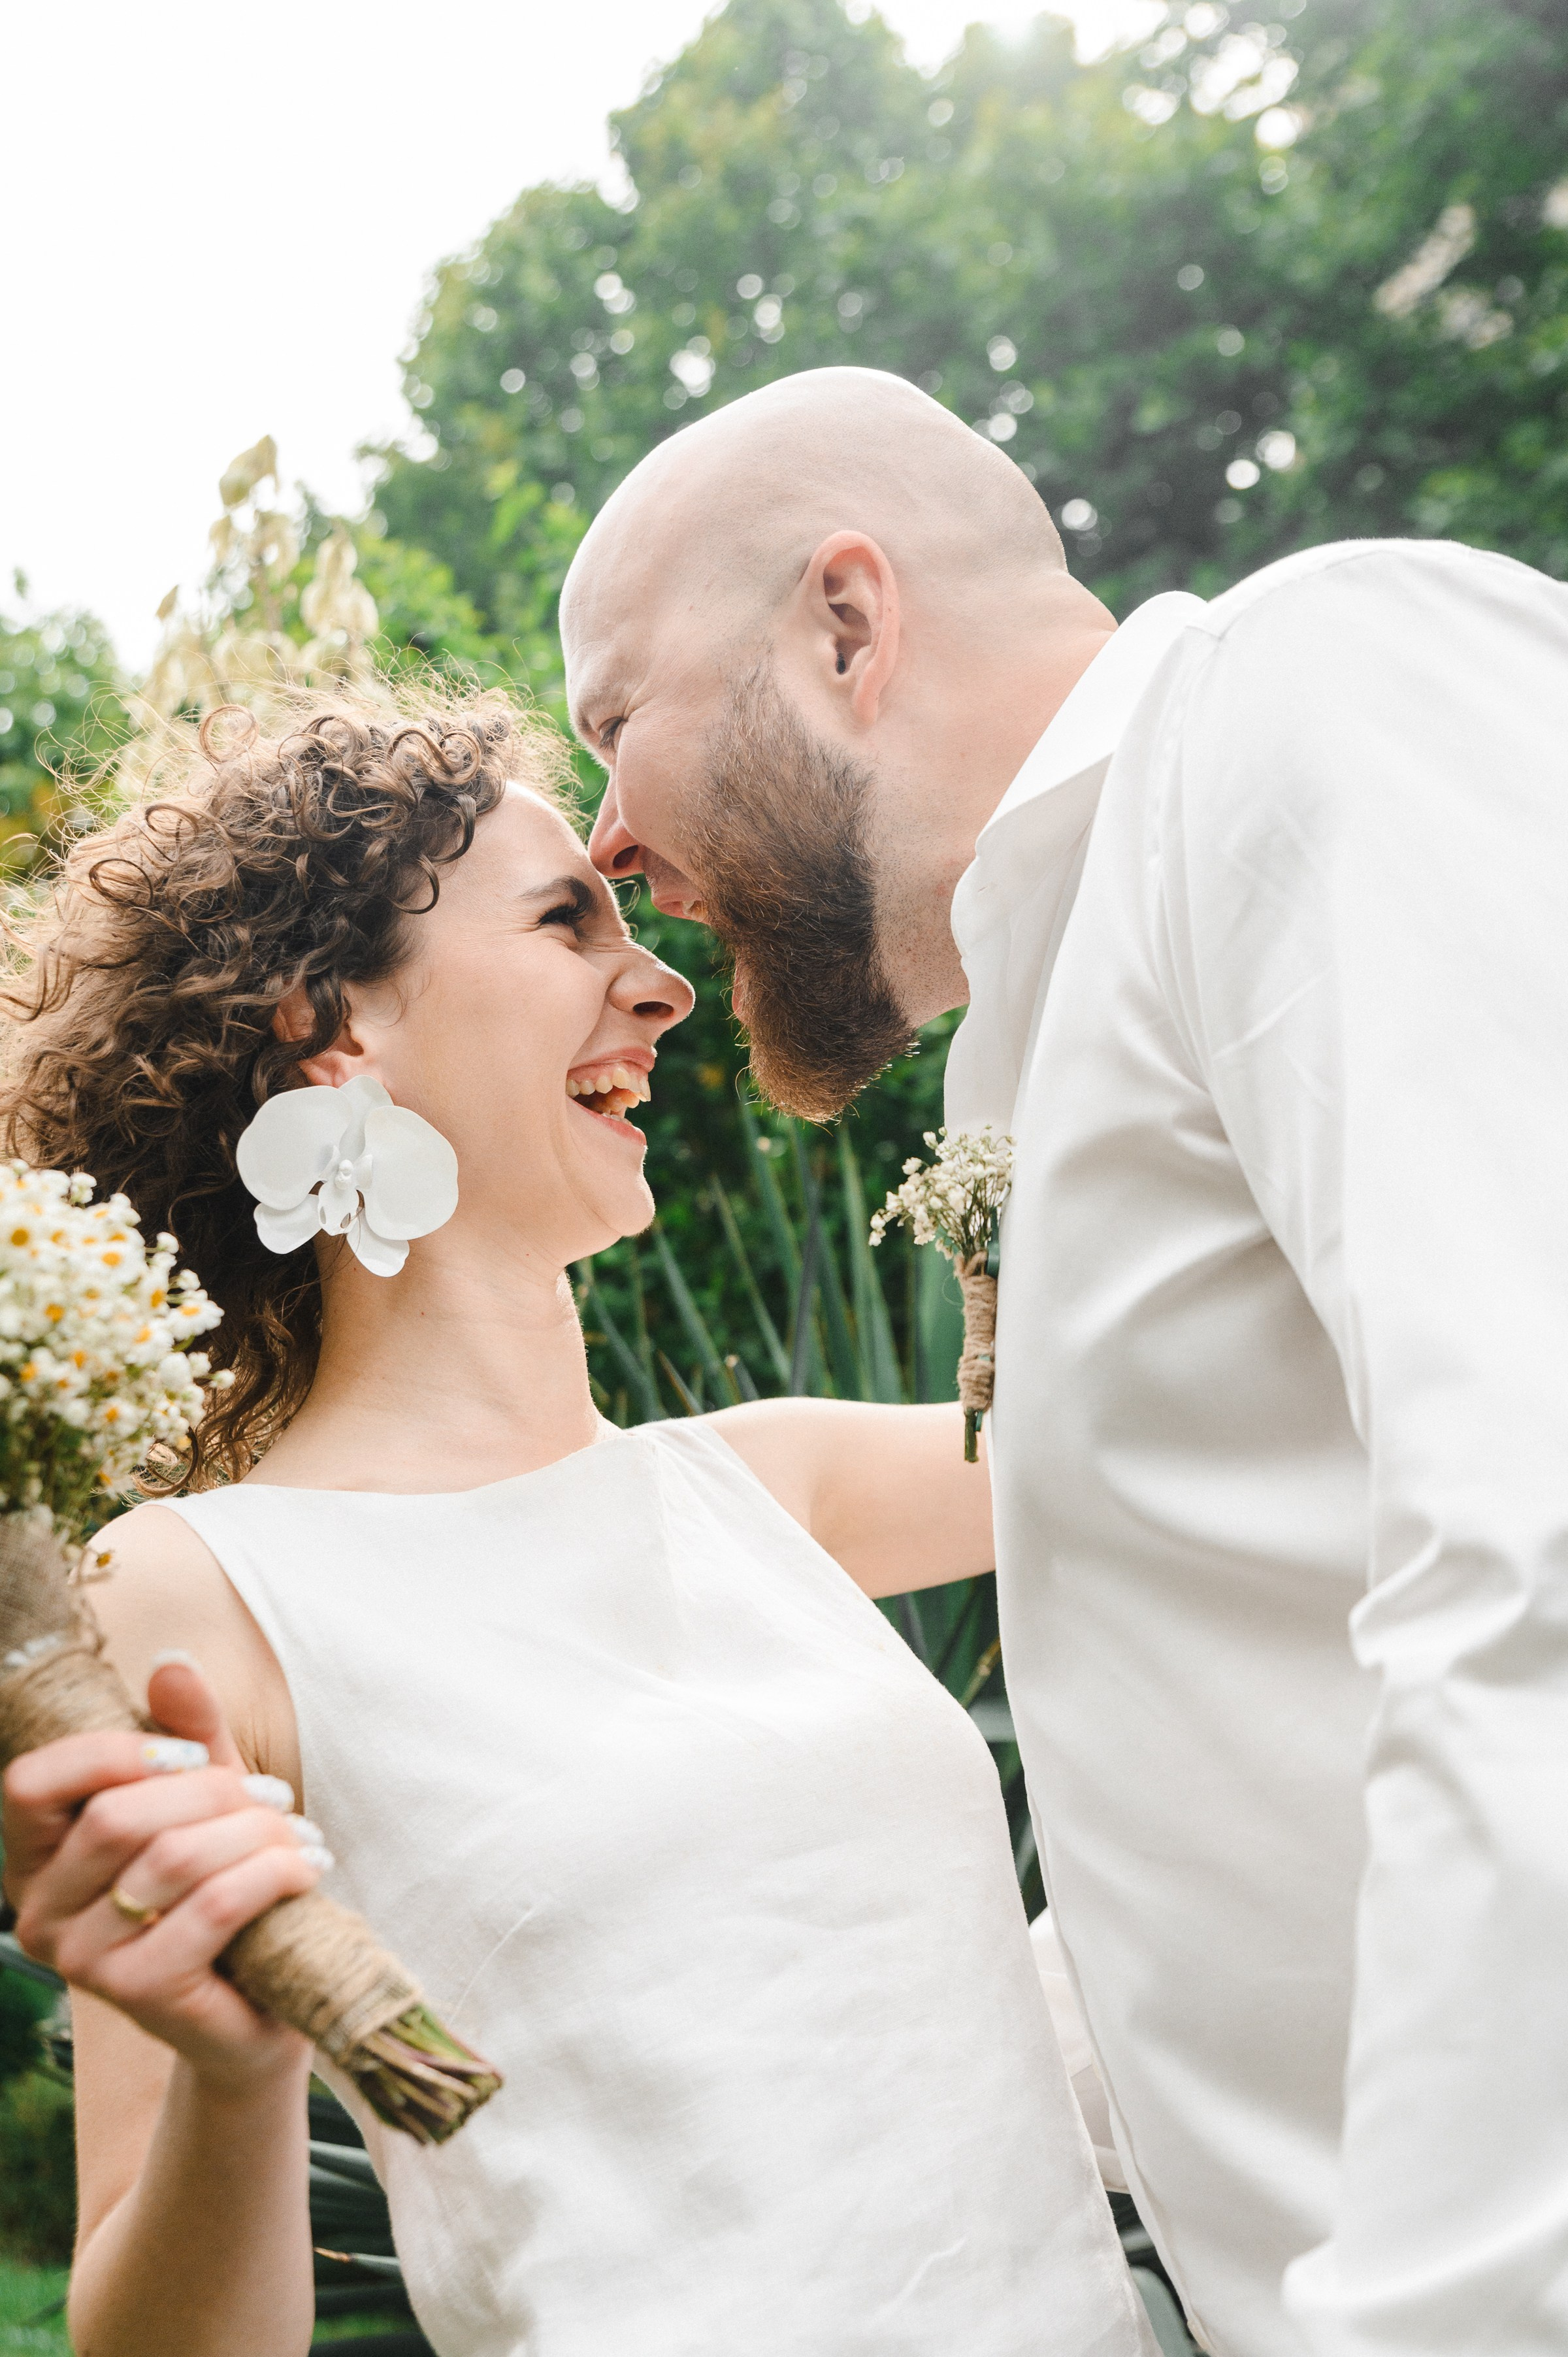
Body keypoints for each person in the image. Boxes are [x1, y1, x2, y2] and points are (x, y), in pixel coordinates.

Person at [559, 363, 1568, 2357]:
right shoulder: (1038, 1036)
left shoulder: (1311, 693)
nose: (611, 841)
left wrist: (1434, 2315)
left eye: (613, 721)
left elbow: (1532, 1539)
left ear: (843, 625)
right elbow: (1246, 1708)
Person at [0, 686, 1154, 2357]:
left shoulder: (775, 1488)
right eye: (566, 917)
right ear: (337, 1024)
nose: (668, 981)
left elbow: (1232, 1431)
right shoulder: (193, 1589)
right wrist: (239, 2072)